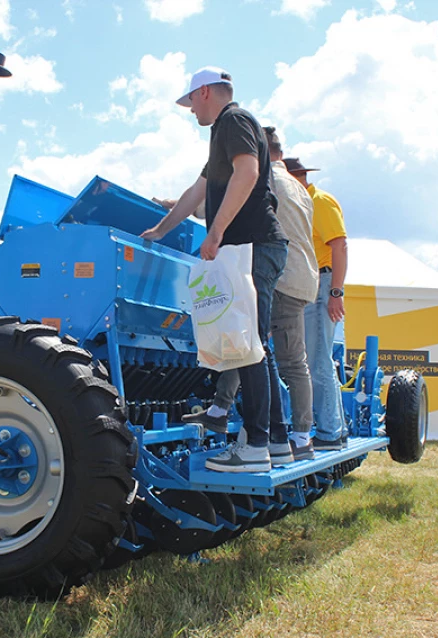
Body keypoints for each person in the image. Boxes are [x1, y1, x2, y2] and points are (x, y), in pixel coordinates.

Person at [140, 66, 288, 473]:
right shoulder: (224, 131)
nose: (191, 110)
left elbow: (248, 172)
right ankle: (276, 441)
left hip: (252, 245)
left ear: (204, 92)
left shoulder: (233, 121)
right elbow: (197, 191)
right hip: (258, 246)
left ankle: (255, 446)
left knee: (248, 345)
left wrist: (216, 232)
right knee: (255, 345)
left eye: (191, 101)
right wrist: (160, 229)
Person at [182, 126, 319, 462]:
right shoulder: (301, 189)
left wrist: (177, 207)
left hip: (277, 275)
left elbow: (220, 204)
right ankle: (284, 434)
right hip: (301, 276)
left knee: (258, 347)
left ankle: (280, 435)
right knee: (264, 349)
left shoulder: (267, 179)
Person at [285, 157, 349, 452]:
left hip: (322, 283)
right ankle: (336, 429)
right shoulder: (304, 204)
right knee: (319, 359)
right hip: (316, 282)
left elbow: (340, 245)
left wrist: (335, 291)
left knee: (317, 360)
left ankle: (329, 432)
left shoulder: (319, 202)